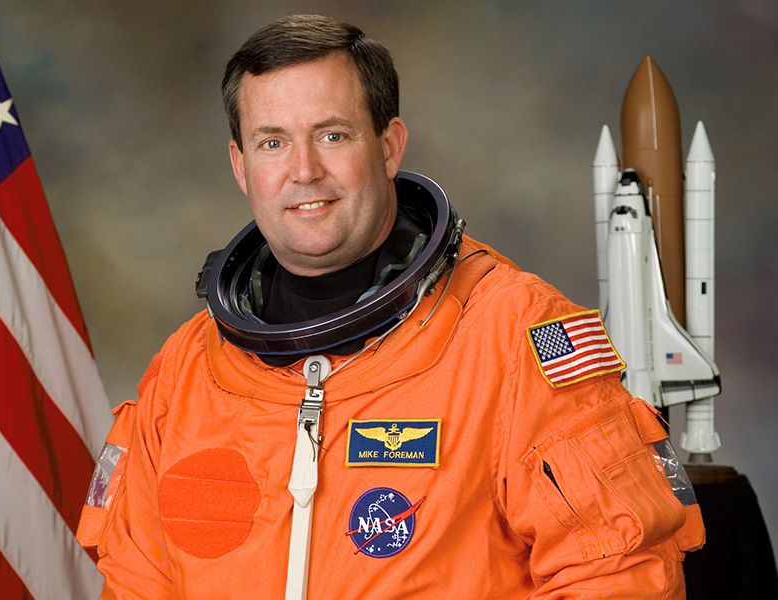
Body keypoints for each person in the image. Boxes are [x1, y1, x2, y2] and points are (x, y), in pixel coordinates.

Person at [76, 14, 704, 599]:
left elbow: (616, 574)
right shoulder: (186, 374)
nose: (304, 171)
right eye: (272, 143)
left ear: (389, 146)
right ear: (241, 166)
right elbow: (137, 583)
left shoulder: (512, 337)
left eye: (332, 134)